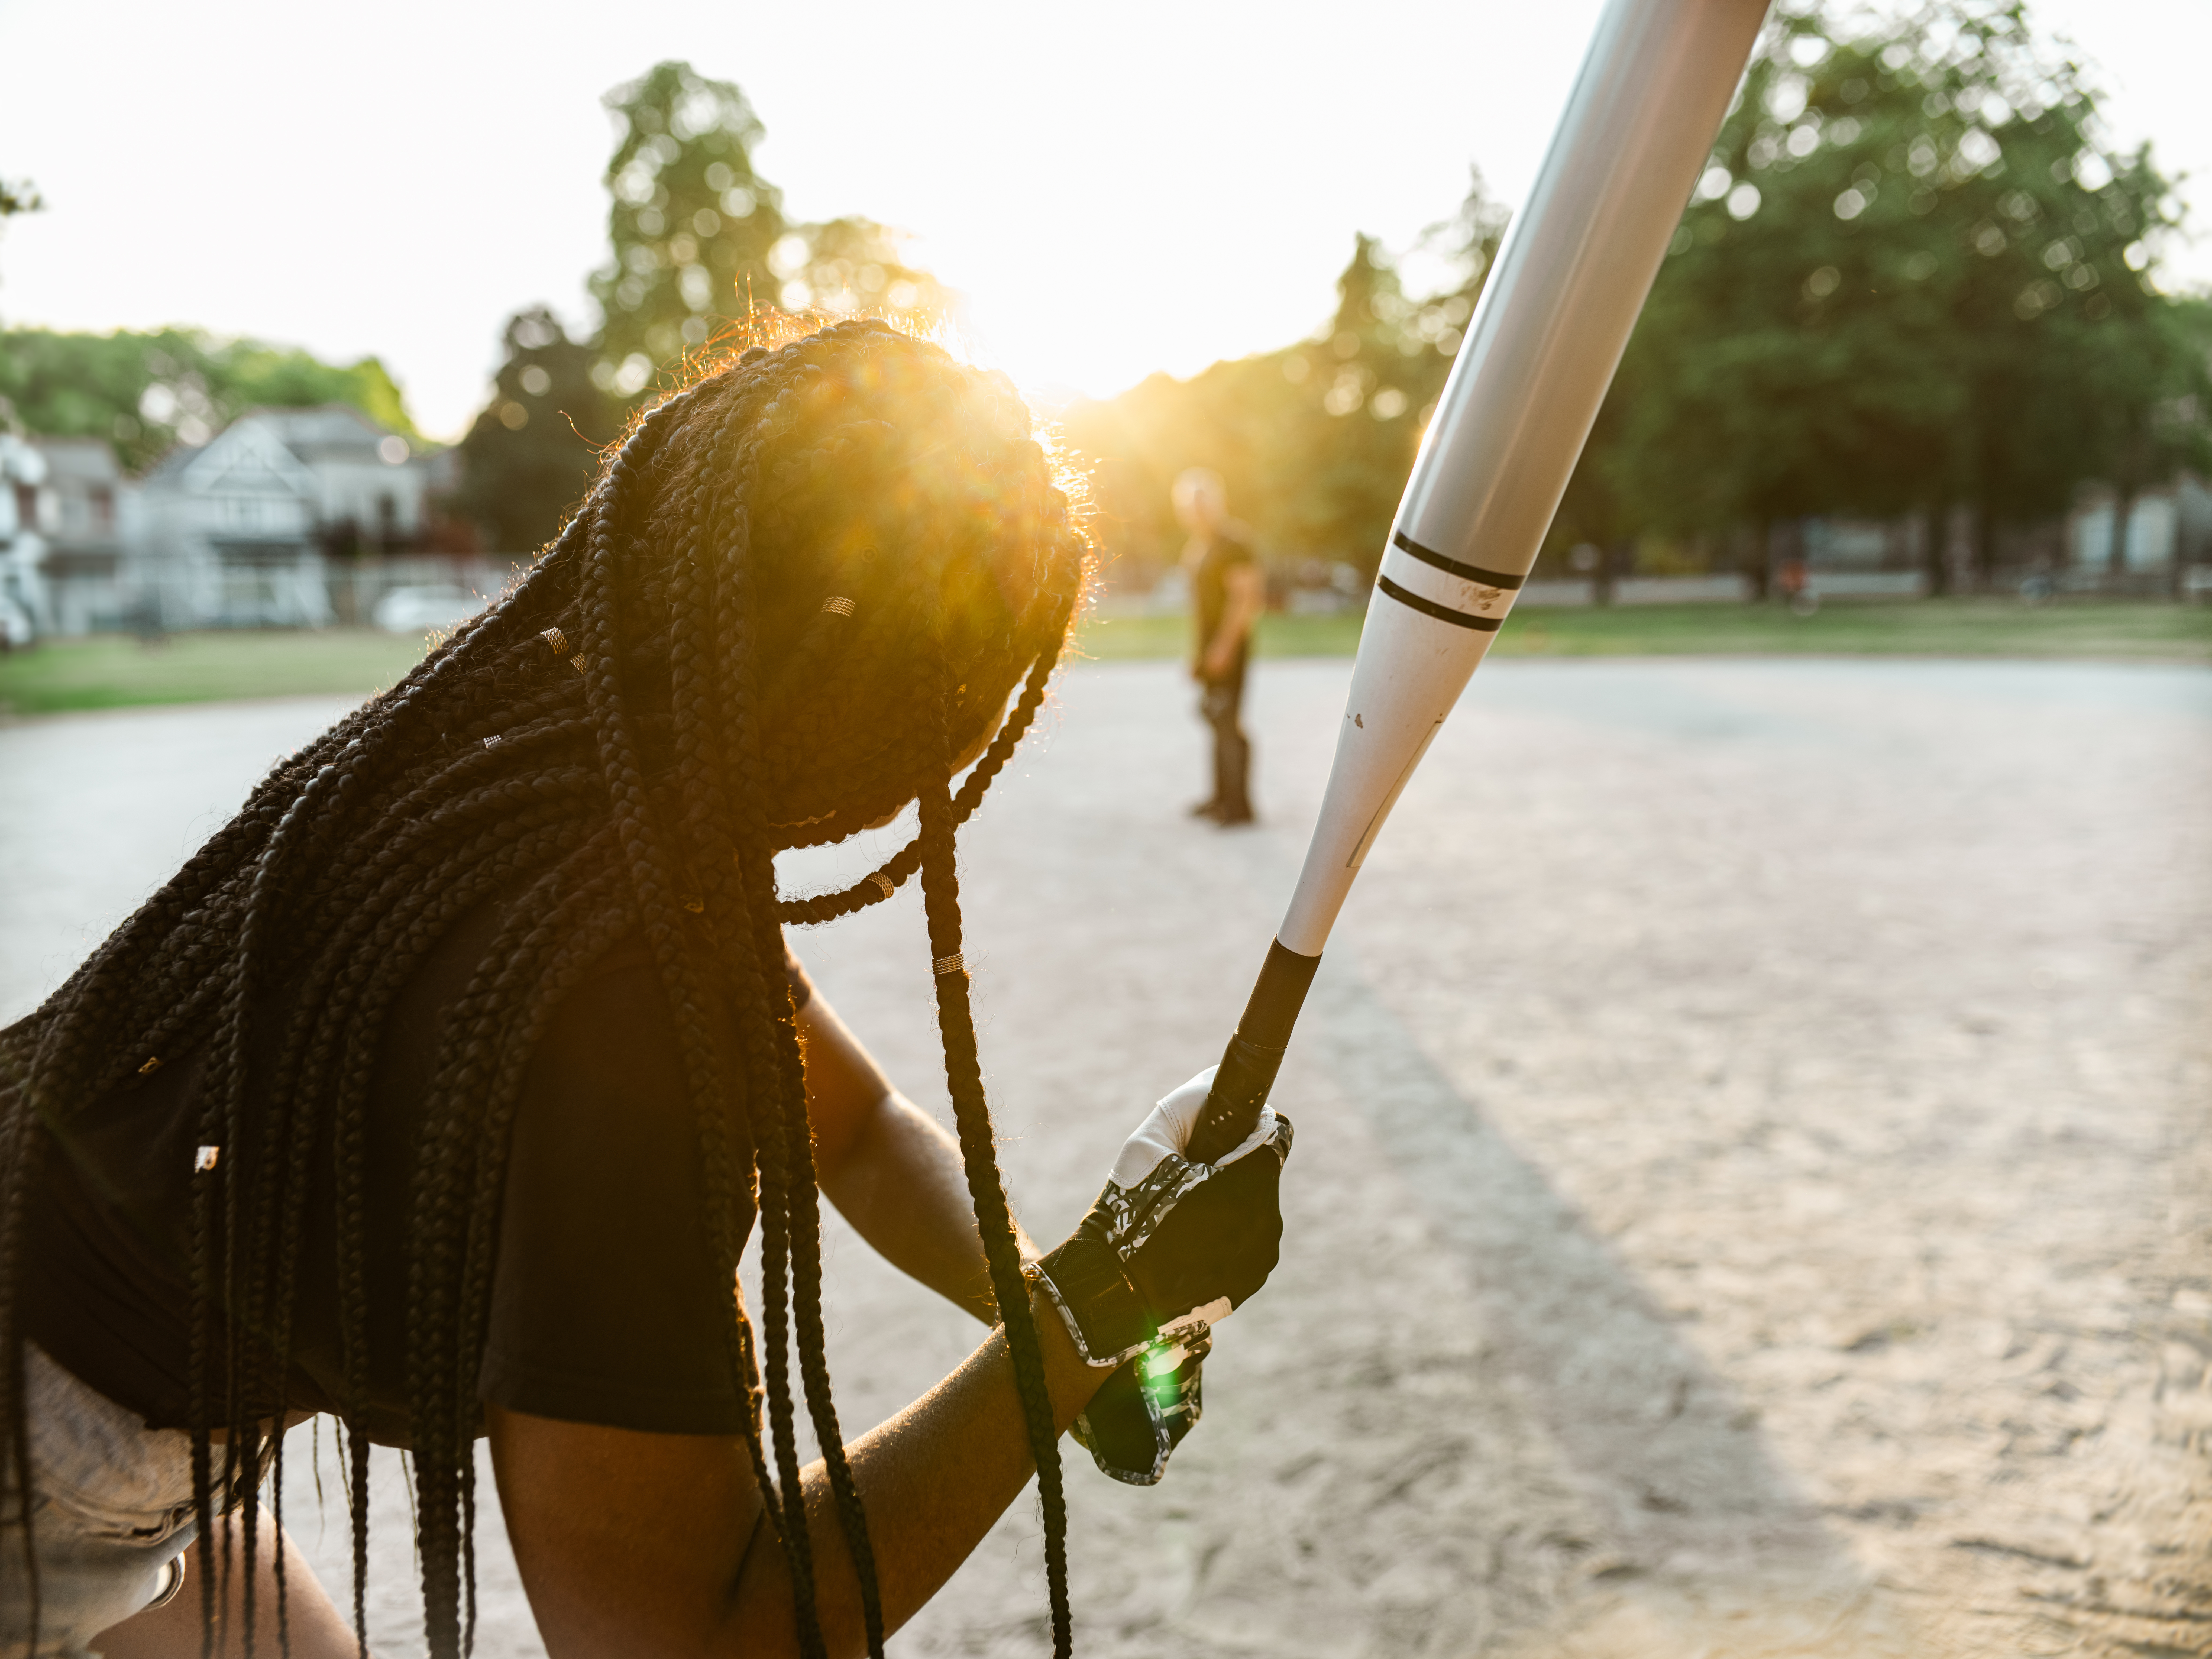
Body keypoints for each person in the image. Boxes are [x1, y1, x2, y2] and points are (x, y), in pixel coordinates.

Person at [0, 322, 1291, 1659]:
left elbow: (854, 1129)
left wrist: (1054, 1312)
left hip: (87, 1387)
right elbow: (684, 1637)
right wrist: (1086, 1317)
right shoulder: (610, 1006)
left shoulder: (533, 781)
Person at [1172, 469, 1262, 826]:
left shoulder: (1234, 544)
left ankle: (1239, 807)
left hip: (1230, 648)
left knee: (1227, 720)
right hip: (1209, 648)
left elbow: (1246, 600)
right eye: (1191, 505)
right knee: (1214, 718)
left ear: (1218, 502)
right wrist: (1198, 653)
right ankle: (1220, 797)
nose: (1198, 511)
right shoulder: (1198, 547)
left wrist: (1224, 648)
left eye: (1203, 502)